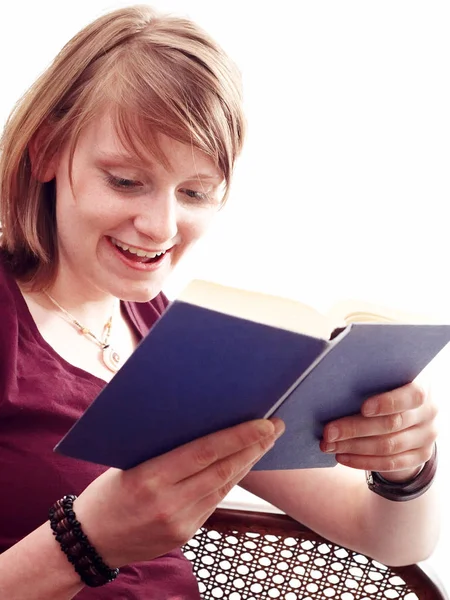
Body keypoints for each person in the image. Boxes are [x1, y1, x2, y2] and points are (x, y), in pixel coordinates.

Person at [0, 4, 439, 599]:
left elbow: (389, 543)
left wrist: (403, 467)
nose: (160, 226)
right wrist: (86, 541)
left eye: (196, 192)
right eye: (125, 181)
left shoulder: (170, 335)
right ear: (45, 151)